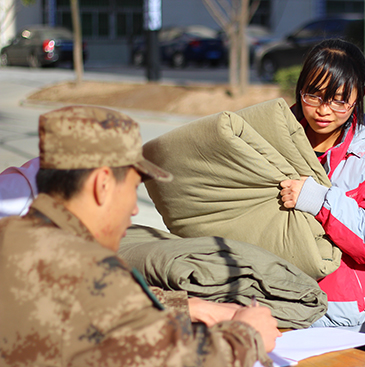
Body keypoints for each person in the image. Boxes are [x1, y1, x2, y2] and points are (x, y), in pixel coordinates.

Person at [0, 105, 280, 367]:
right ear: (102, 185)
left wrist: (184, 306)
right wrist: (247, 334)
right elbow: (173, 357)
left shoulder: (14, 239)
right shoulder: (85, 268)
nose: (135, 208)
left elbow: (105, 309)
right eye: (133, 188)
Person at [279, 39, 365, 341]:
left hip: (338, 316)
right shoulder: (276, 136)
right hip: (276, 298)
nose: (323, 110)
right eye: (314, 95)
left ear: (359, 96)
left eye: (339, 100)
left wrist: (317, 199)